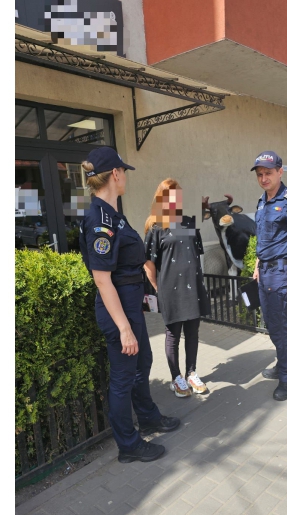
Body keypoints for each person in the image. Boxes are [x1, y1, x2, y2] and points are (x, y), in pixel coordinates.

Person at [78, 147, 180, 463]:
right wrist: (124, 328)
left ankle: (148, 417)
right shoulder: (99, 220)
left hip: (130, 305)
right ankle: (128, 445)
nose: (125, 177)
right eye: (123, 171)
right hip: (118, 310)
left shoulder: (112, 215)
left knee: (143, 362)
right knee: (122, 380)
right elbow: (102, 279)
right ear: (116, 174)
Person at [251, 151, 287, 401]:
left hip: (281, 273)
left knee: (278, 325)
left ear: (280, 172)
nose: (264, 178)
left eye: (268, 173)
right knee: (271, 322)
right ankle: (285, 363)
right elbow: (264, 239)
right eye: (260, 174)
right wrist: (257, 264)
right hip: (266, 271)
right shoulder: (262, 201)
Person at [143, 179, 210, 398]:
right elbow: (148, 264)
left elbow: (194, 255)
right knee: (173, 335)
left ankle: (191, 373)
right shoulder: (156, 229)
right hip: (170, 291)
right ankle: (176, 378)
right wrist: (158, 288)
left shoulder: (188, 224)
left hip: (192, 289)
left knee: (192, 332)